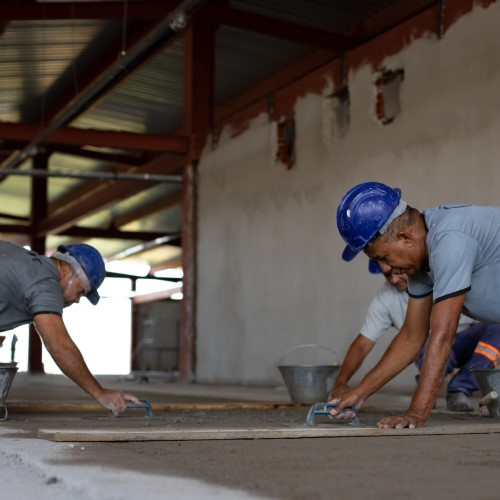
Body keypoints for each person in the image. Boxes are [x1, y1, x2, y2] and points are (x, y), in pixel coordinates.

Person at [331, 181, 500, 428]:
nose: (385, 269)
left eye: (383, 258)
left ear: (405, 237)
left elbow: (442, 335)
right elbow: (411, 336)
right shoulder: (421, 263)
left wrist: (417, 412)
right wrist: (359, 393)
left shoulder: (450, 238)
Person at [331, 260, 500, 412]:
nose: (394, 280)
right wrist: (341, 382)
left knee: (496, 329)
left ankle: (459, 388)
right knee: (426, 341)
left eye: (398, 272)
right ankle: (428, 385)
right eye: (387, 275)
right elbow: (362, 344)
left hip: (462, 339)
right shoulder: (385, 299)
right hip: (428, 346)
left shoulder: (441, 278)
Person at [0, 240, 139, 415]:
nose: (77, 299)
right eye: (81, 290)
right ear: (65, 271)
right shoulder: (45, 282)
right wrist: (100, 392)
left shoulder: (27, 265)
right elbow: (58, 344)